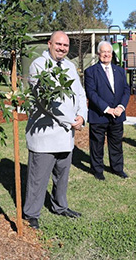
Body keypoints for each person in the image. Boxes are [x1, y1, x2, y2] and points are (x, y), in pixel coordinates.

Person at [22, 31, 88, 229]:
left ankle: (60, 206)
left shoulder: (69, 66)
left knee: (62, 174)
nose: (62, 48)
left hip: (66, 133)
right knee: (38, 178)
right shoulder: (38, 66)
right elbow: (47, 101)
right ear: (49, 44)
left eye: (65, 45)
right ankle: (31, 213)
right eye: (58, 44)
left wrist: (82, 115)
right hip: (45, 134)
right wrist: (70, 120)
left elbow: (80, 92)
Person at [84, 41, 131, 181]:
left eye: (109, 52)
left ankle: (117, 168)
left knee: (116, 144)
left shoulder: (120, 71)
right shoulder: (90, 71)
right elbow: (91, 93)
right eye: (103, 52)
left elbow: (126, 90)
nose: (106, 54)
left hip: (117, 115)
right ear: (99, 54)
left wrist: (121, 107)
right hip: (99, 115)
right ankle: (97, 170)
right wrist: (107, 109)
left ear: (112, 54)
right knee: (97, 145)